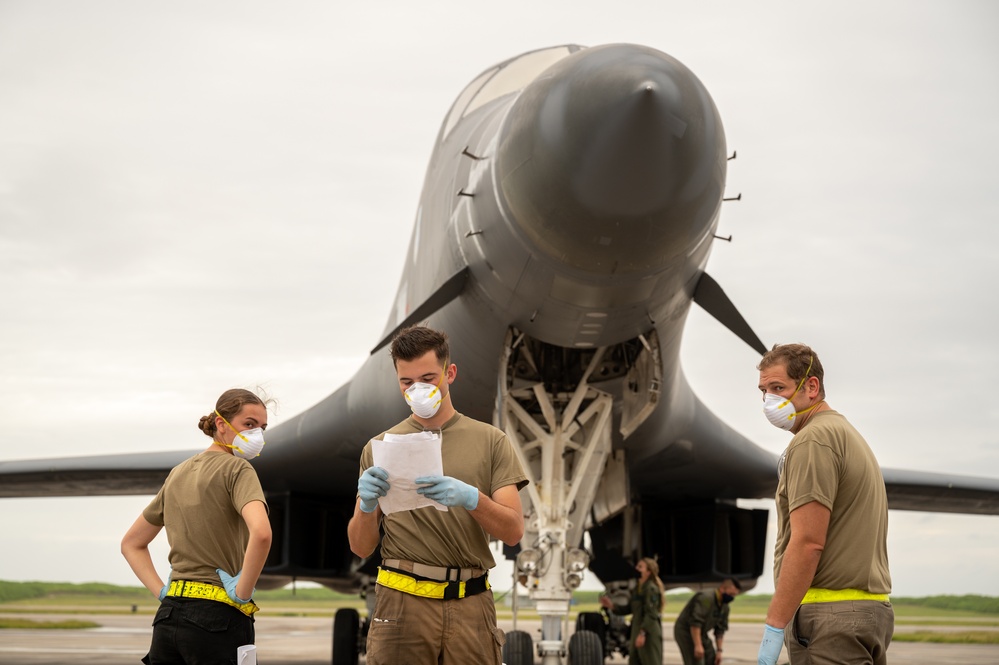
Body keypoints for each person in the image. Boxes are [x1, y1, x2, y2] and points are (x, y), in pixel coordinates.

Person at [346, 325, 528, 665]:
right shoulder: (379, 448)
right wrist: (367, 506)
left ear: (450, 373)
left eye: (429, 378)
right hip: (401, 603)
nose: (418, 389)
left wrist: (474, 499)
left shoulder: (492, 442)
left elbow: (513, 530)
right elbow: (360, 546)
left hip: (470, 603)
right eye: (407, 382)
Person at [755, 344, 893, 665]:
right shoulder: (845, 433)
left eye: (778, 388)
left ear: (811, 387)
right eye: (763, 391)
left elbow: (808, 542)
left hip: (829, 620)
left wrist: (775, 626)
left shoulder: (813, 441)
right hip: (868, 612)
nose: (768, 401)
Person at [121, 388, 273, 665]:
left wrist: (161, 592)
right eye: (249, 425)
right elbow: (262, 533)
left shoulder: (178, 472)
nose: (257, 435)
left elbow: (131, 543)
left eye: (262, 428)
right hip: (217, 620)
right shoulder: (238, 470)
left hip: (168, 619)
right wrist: (243, 592)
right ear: (220, 424)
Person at [600, 557, 665, 665]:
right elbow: (630, 608)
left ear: (648, 572)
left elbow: (651, 614)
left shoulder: (651, 589)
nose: (636, 569)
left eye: (640, 567)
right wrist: (611, 606)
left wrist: (642, 633)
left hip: (648, 633)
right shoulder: (638, 589)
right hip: (637, 631)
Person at [673, 578, 742, 665]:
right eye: (731, 594)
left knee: (711, 658)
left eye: (734, 596)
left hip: (701, 632)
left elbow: (720, 630)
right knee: (697, 660)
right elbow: (695, 622)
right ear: (722, 588)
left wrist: (719, 651)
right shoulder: (706, 598)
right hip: (686, 631)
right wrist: (698, 645)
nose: (732, 598)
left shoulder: (725, 607)